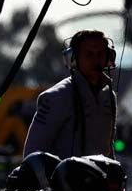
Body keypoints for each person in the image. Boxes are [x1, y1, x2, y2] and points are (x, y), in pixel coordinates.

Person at [24, 30, 117, 159]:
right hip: (63, 172)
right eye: (89, 54)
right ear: (72, 58)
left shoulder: (109, 96)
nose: (96, 59)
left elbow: (108, 148)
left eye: (101, 54)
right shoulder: (56, 97)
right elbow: (32, 154)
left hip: (99, 172)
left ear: (109, 57)